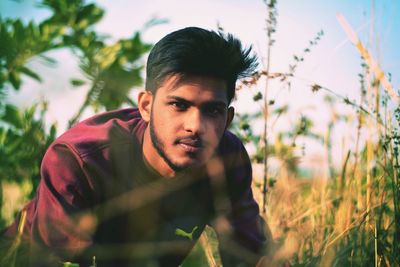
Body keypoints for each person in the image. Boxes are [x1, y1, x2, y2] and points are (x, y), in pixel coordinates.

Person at [2, 27, 272, 267]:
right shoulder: (80, 161)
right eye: (179, 105)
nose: (195, 126)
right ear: (145, 106)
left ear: (227, 119)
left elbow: (252, 256)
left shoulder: (226, 158)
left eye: (213, 110)